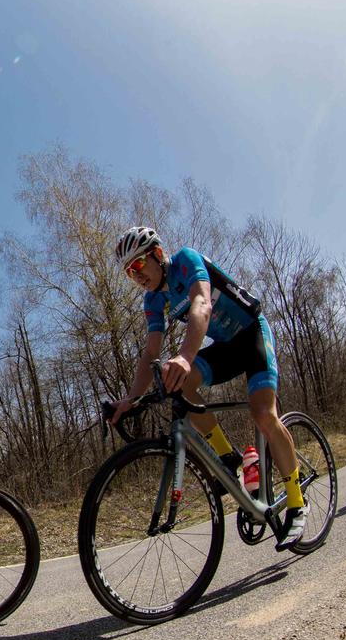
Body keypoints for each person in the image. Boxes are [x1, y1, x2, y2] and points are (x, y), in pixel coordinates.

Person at [108, 227, 308, 550]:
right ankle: (229, 458)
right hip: (227, 346)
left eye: (139, 265)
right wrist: (130, 400)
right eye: (130, 272)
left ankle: (298, 503)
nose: (137, 275)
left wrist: (186, 357)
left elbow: (202, 303)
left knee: (263, 414)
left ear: (157, 254)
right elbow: (150, 352)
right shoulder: (153, 300)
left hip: (252, 334)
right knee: (177, 386)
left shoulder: (185, 261)